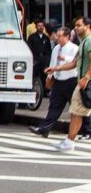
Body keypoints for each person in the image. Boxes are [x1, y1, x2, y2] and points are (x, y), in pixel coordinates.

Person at [36, 26, 80, 138]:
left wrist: (64, 59)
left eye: (60, 36)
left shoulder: (74, 48)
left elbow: (74, 64)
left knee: (76, 108)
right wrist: (50, 76)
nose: (57, 38)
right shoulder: (56, 48)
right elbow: (53, 63)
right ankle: (45, 128)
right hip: (58, 81)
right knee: (54, 106)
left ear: (67, 37)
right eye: (57, 36)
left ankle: (86, 130)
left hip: (71, 81)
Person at [54, 22, 91, 152]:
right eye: (75, 25)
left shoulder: (89, 41)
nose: (76, 27)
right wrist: (56, 68)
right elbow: (74, 63)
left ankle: (69, 142)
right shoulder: (83, 43)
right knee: (76, 112)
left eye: (79, 25)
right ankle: (69, 141)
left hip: (85, 83)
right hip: (82, 82)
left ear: (87, 26)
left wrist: (86, 77)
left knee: (77, 111)